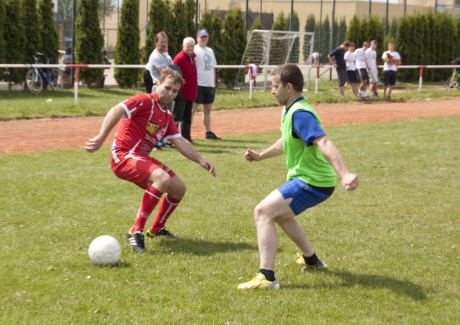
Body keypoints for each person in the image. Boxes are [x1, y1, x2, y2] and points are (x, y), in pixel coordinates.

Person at [237, 64, 359, 290]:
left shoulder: (300, 113)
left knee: (263, 211)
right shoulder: (290, 109)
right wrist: (261, 155)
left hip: (313, 182)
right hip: (308, 179)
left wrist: (344, 173)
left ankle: (267, 277)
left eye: (275, 86)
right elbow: (287, 140)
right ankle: (312, 260)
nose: (273, 91)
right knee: (281, 216)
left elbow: (323, 141)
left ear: (289, 87)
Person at [85, 68, 216, 253]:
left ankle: (156, 229)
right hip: (123, 155)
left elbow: (179, 141)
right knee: (162, 178)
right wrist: (100, 137)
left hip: (140, 157)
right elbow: (117, 110)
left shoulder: (166, 115)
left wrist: (201, 160)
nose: (170, 93)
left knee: (179, 188)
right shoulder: (144, 101)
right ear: (158, 84)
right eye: (167, 87)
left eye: (175, 91)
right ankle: (135, 230)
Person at [192, 29, 221, 140]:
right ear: (197, 38)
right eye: (201, 37)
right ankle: (186, 133)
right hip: (198, 84)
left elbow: (213, 67)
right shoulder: (194, 49)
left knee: (207, 110)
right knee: (192, 110)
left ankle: (208, 132)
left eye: (205, 37)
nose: (203, 39)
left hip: (209, 85)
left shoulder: (210, 50)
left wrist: (213, 82)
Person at [173, 37, 198, 143]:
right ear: (183, 46)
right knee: (177, 117)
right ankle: (172, 139)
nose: (190, 48)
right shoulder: (179, 58)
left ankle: (186, 137)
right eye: (188, 46)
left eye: (192, 46)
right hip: (182, 93)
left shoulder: (193, 57)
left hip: (190, 93)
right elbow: (175, 76)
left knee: (187, 118)